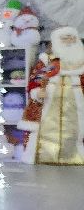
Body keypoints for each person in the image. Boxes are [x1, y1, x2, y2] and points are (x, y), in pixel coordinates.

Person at [22, 27, 84, 165]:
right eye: (64, 39)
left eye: (71, 38)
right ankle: (44, 156)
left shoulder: (82, 62)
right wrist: (38, 92)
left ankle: (74, 157)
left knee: (75, 133)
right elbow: (35, 79)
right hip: (49, 104)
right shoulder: (47, 61)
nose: (68, 42)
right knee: (46, 131)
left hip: (76, 107)